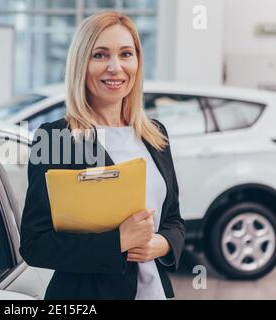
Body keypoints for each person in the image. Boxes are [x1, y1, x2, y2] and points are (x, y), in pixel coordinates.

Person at [19, 11, 185, 300]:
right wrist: (118, 241)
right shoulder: (56, 139)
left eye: (126, 54)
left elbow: (174, 221)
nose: (115, 67)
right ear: (81, 64)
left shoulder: (155, 134)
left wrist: (164, 244)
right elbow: (36, 245)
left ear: (137, 62)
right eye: (100, 55)